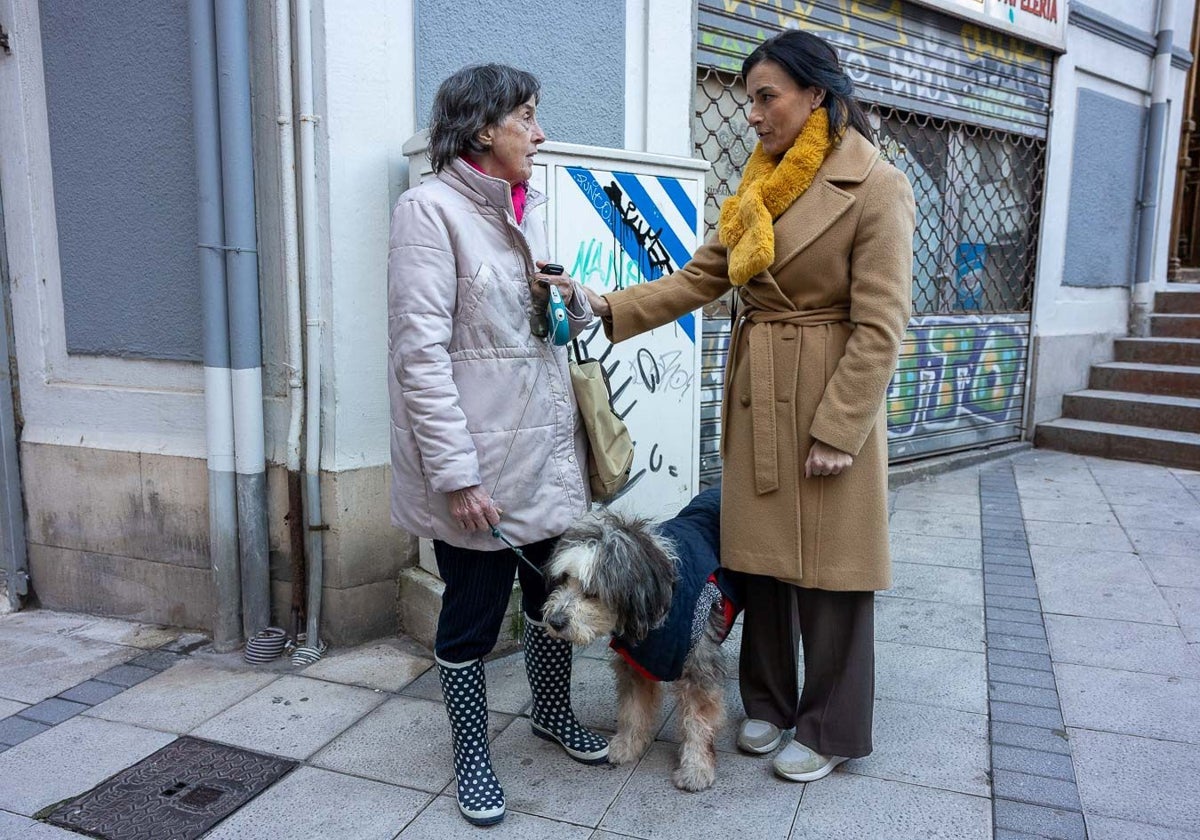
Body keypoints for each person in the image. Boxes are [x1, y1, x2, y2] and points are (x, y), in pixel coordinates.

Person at [585, 30, 915, 783]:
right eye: (751, 100)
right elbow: (702, 276)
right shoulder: (759, 188)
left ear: (817, 95)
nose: (755, 115)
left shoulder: (879, 186)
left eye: (768, 97)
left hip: (828, 397)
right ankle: (768, 703)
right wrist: (608, 308)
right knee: (758, 563)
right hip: (757, 397)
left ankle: (830, 726)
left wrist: (841, 426)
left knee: (831, 574)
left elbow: (881, 324)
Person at [387, 63, 606, 827]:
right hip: (481, 472)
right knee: (472, 618)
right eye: (528, 118)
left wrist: (570, 298)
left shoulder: (526, 206)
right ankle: (473, 758)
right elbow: (419, 358)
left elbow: (540, 336)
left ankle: (550, 715)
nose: (540, 134)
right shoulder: (428, 211)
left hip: (546, 454)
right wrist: (455, 475)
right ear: (485, 128)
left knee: (555, 600)